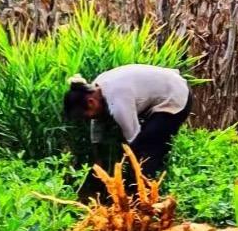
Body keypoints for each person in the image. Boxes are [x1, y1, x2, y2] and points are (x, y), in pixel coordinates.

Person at [63, 64, 193, 192]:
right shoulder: (97, 88)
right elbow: (97, 127)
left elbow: (134, 141)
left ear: (91, 102)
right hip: (164, 91)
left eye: (86, 116)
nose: (88, 120)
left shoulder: (118, 103)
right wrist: (98, 162)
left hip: (175, 95)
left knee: (147, 149)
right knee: (146, 147)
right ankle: (141, 188)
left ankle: (146, 195)